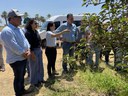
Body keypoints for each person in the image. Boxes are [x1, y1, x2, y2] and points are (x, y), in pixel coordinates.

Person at [1, 9, 31, 96]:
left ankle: (22, 90)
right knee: (18, 77)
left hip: (23, 57)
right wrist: (24, 53)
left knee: (21, 75)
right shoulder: (7, 31)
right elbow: (13, 46)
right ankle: (18, 93)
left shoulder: (19, 29)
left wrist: (28, 49)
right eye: (18, 17)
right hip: (16, 59)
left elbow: (25, 41)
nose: (21, 19)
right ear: (11, 19)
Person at [25, 19, 45, 89]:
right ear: (31, 24)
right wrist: (32, 53)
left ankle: (40, 79)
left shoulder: (36, 31)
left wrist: (41, 47)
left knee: (40, 65)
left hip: (39, 49)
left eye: (37, 23)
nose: (37, 24)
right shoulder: (28, 33)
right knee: (33, 67)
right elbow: (28, 45)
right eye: (35, 23)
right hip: (33, 51)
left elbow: (39, 40)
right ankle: (34, 82)